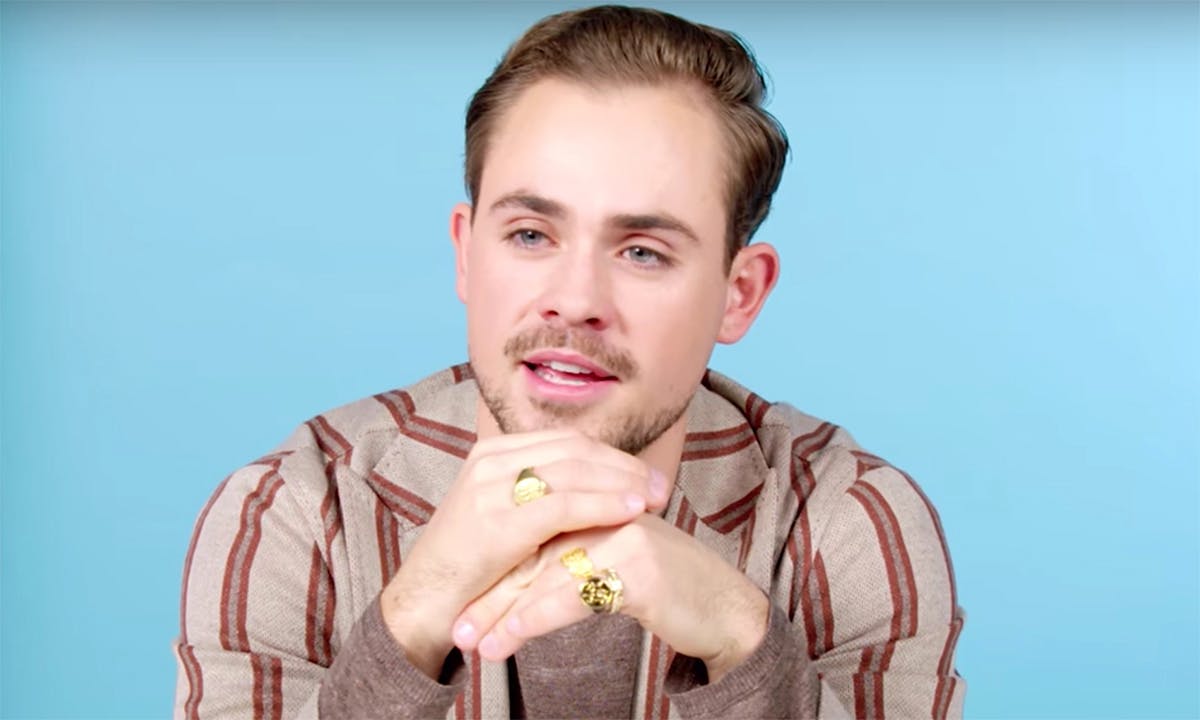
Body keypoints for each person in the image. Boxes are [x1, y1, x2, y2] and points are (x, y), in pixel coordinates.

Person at [174, 5, 966, 719]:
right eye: (530, 235)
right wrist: (412, 617)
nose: (575, 300)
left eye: (644, 251)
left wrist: (741, 638)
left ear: (740, 294)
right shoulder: (294, 510)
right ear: (466, 253)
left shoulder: (848, 522)